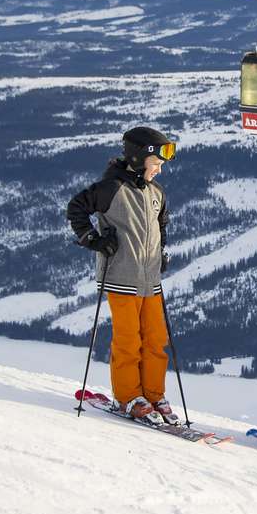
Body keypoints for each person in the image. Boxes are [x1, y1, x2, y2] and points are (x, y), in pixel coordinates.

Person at [66, 126, 177, 424]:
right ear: (139, 158)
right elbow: (76, 208)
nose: (160, 171)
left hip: (149, 279)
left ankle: (154, 394)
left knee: (155, 339)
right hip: (121, 276)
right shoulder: (111, 188)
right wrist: (94, 240)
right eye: (156, 164)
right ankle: (129, 397)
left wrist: (160, 253)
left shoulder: (156, 192)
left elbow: (161, 226)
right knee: (128, 340)